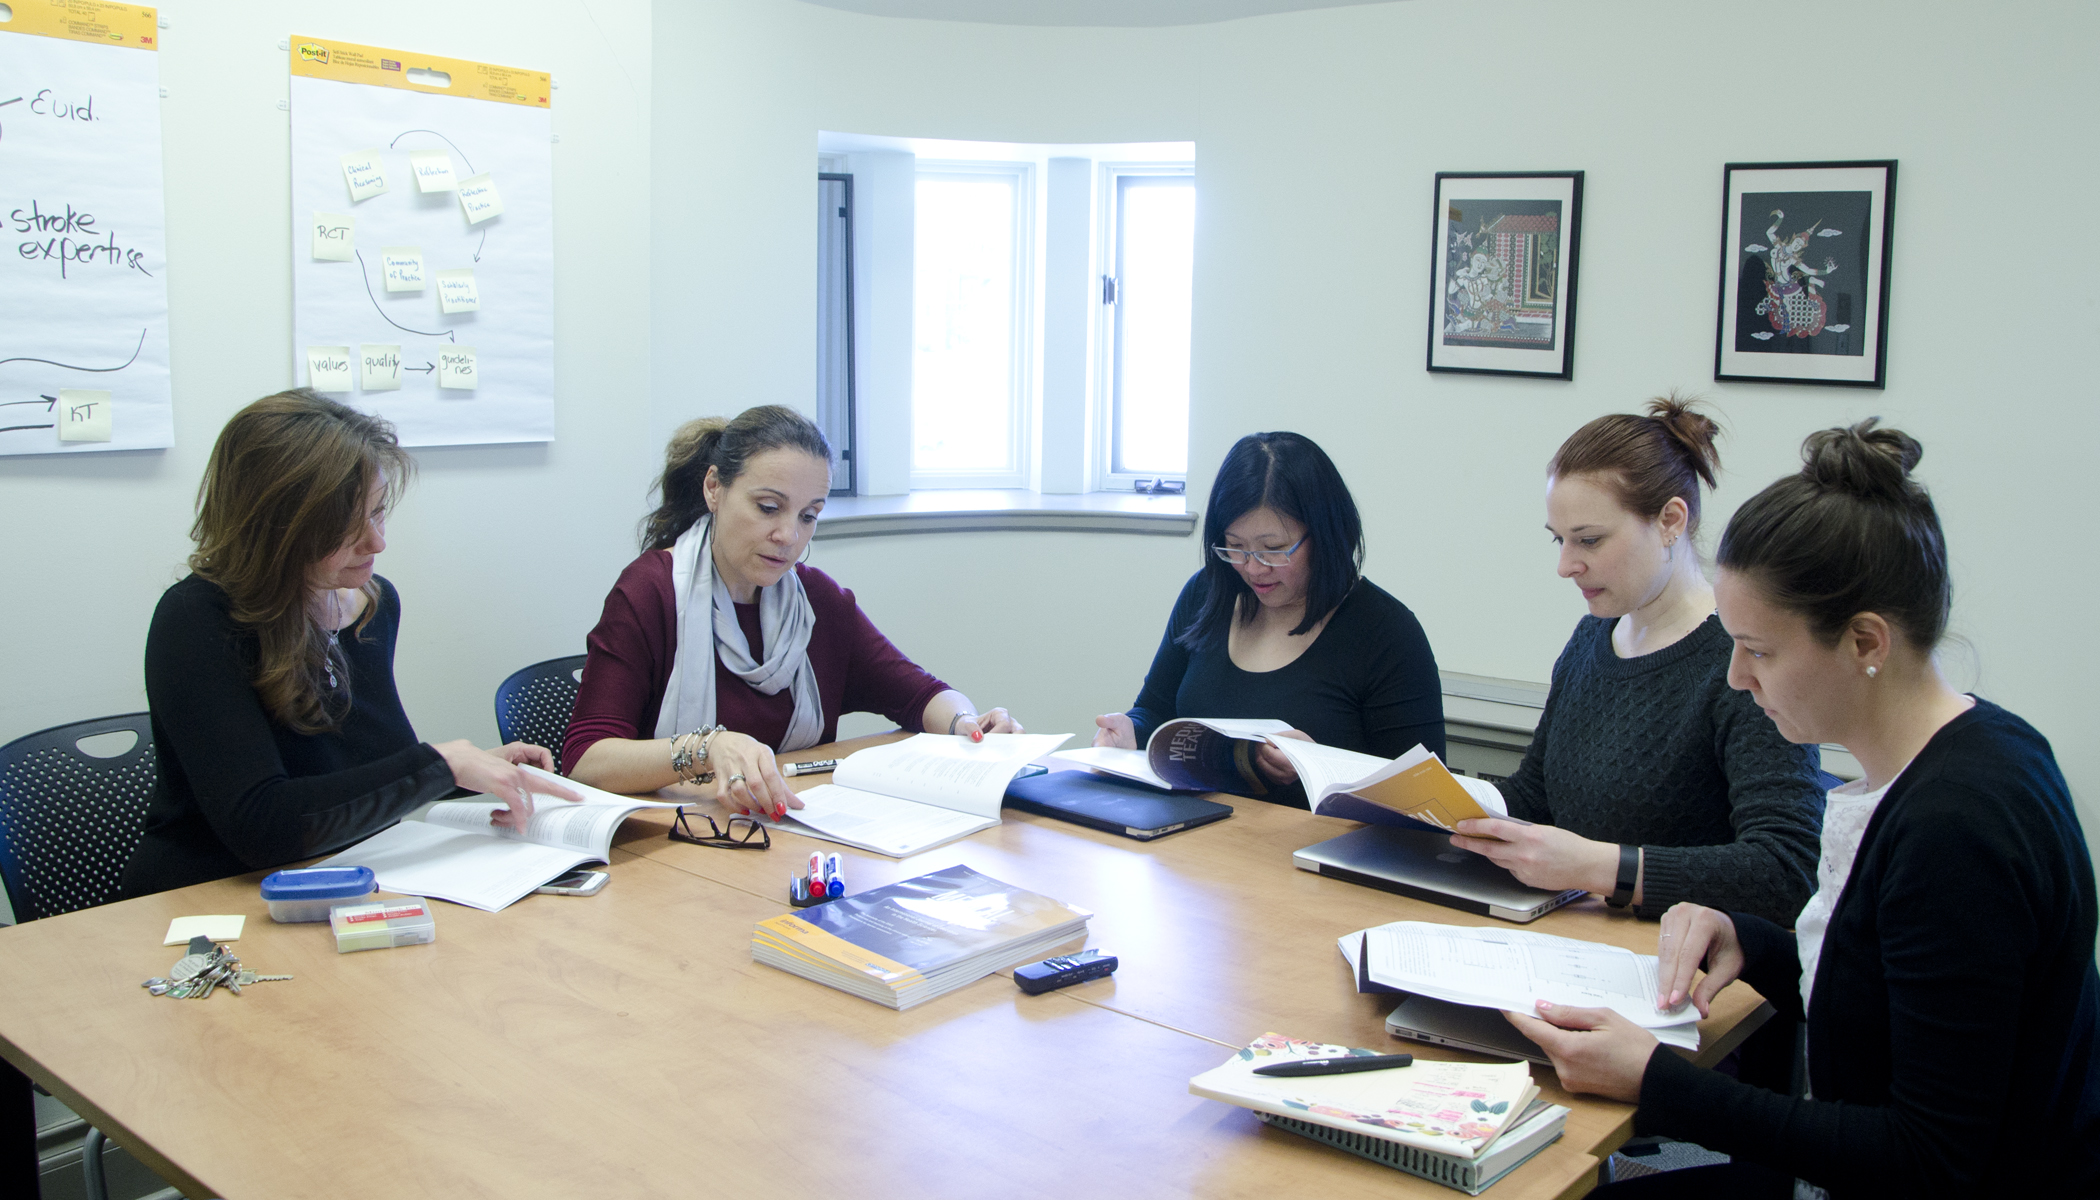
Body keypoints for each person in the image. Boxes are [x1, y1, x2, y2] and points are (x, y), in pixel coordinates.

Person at [1508, 420, 2100, 1198]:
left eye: (1759, 650)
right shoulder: (1970, 749)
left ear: (1864, 643)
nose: (1735, 679)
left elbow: (1928, 1157)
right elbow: (1885, 991)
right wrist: (1749, 942)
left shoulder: (1958, 831)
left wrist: (1658, 1082)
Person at [121, 391, 579, 899]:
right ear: (275, 526)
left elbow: (360, 773)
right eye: (345, 525)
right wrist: (438, 766)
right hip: (211, 898)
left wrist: (473, 768)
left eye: (379, 512)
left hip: (343, 875)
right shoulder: (196, 619)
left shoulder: (371, 606)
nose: (377, 542)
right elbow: (262, 824)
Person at [1448, 397, 1823, 926]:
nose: (1565, 565)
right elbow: (1536, 794)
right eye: (1560, 540)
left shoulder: (1741, 659)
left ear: (1671, 520)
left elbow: (1785, 870)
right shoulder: (1592, 638)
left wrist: (1599, 866)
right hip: (1577, 939)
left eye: (1590, 540)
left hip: (1684, 969)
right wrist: (1429, 802)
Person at [563, 405, 1021, 820]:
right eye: (768, 508)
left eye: (808, 515)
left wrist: (967, 724)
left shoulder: (818, 603)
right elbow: (586, 762)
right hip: (673, 842)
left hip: (786, 832)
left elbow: (920, 695)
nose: (788, 535)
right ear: (714, 489)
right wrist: (706, 748)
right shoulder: (650, 592)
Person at [1092, 431, 1443, 804]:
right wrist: (1130, 731)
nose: (1252, 568)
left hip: (1315, 852)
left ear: (1324, 535)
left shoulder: (1386, 634)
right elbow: (1156, 710)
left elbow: (1426, 797)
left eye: (1273, 549)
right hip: (1194, 840)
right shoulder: (1206, 594)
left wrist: (1320, 764)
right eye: (1236, 547)